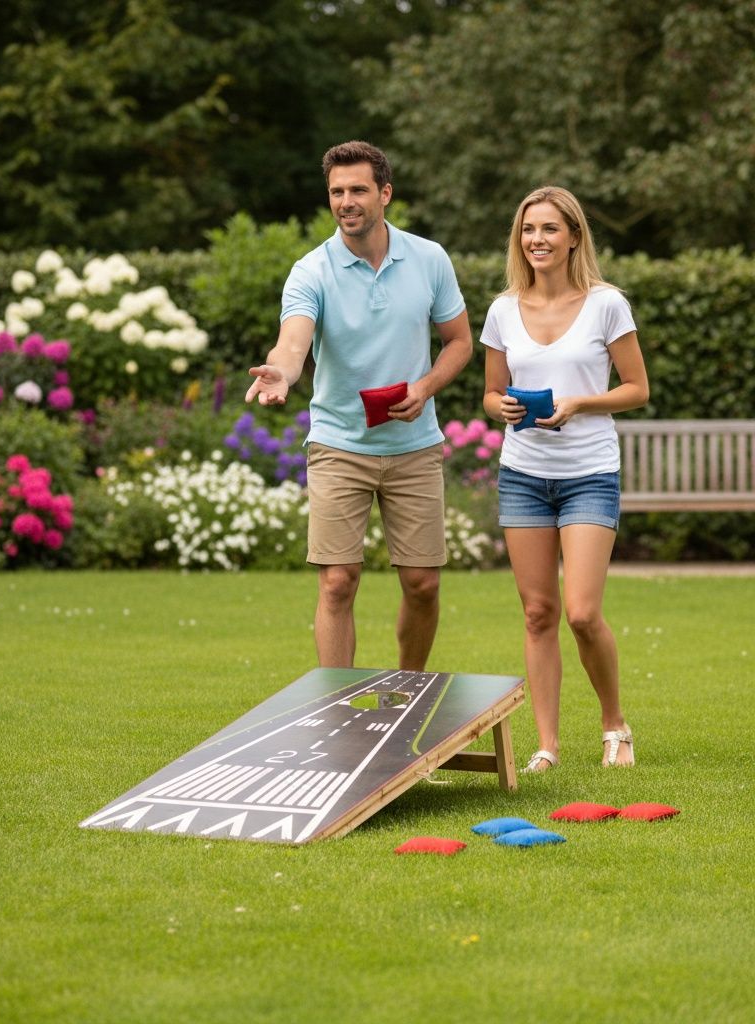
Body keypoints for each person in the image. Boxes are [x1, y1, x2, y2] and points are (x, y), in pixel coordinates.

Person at [246, 140, 472, 670]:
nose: (346, 201)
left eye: (357, 190)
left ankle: (407, 694)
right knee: (338, 581)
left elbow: (459, 342)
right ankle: (336, 710)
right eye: (336, 192)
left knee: (422, 584)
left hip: (414, 445)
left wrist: (425, 388)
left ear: (385, 193)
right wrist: (283, 369)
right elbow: (294, 339)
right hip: (339, 443)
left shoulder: (429, 259)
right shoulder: (311, 271)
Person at [480, 185, 649, 771]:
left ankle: (614, 724)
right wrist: (497, 407)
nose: (538, 240)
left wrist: (579, 403)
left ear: (574, 236)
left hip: (588, 474)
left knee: (580, 611)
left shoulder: (606, 304)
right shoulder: (503, 309)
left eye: (550, 229)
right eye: (529, 230)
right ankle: (546, 746)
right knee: (537, 613)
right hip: (523, 475)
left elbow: (637, 388)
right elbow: (491, 391)